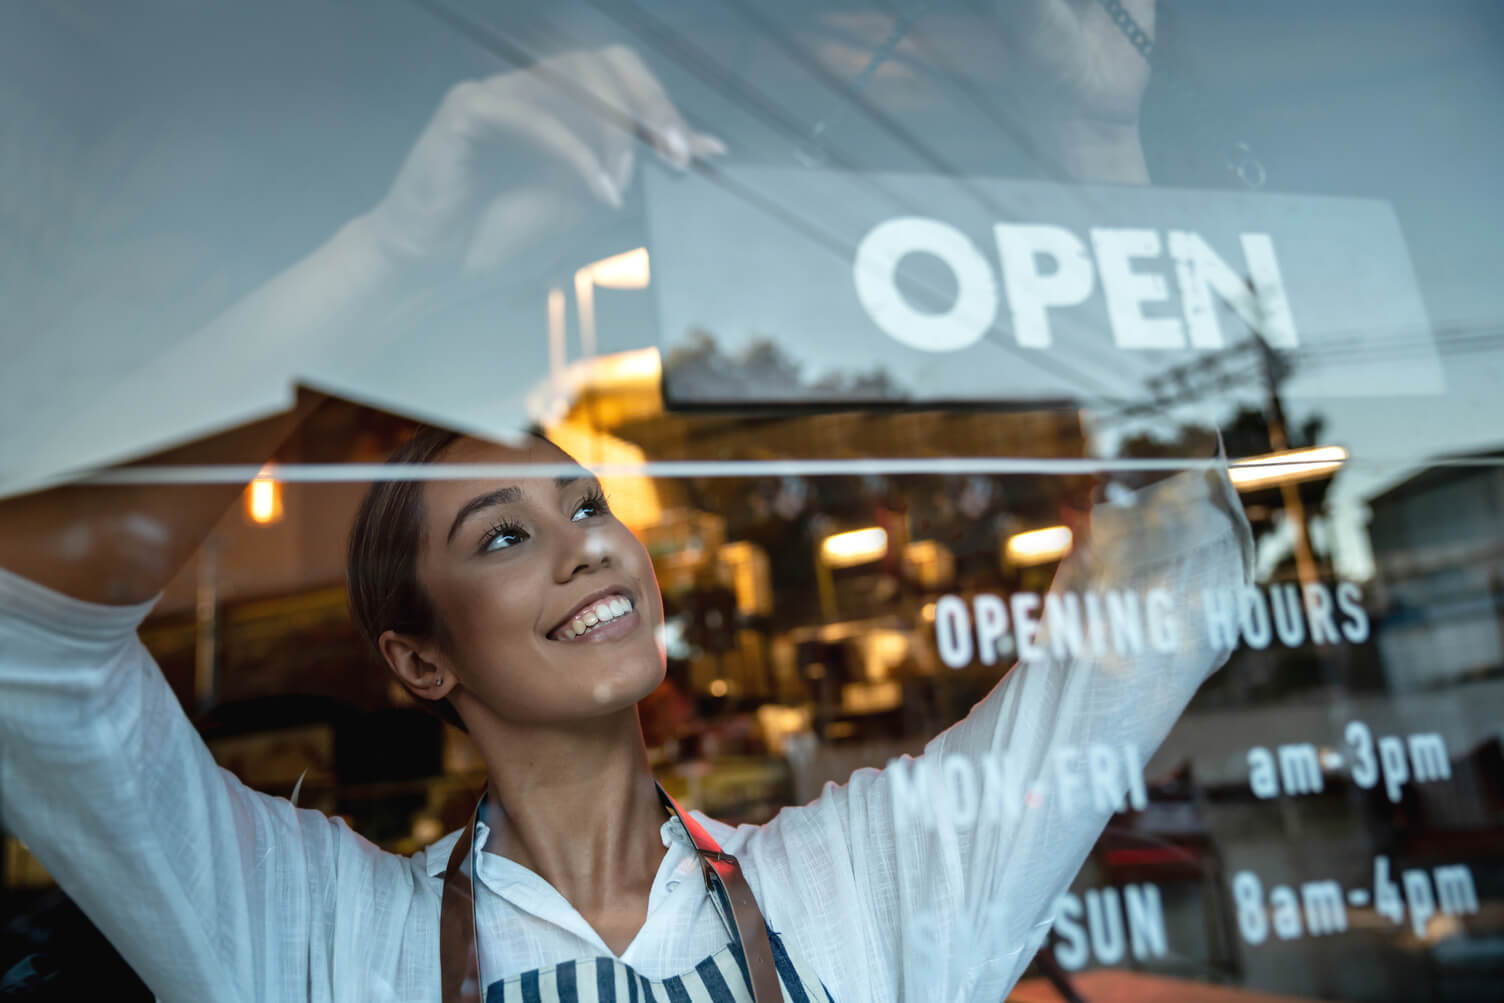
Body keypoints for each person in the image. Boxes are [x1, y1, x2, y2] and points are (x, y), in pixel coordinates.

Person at [1, 6, 1254, 1000]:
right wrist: (400, 252)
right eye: (501, 533)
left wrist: (1097, 140)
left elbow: (1166, 593)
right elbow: (26, 647)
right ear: (418, 658)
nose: (585, 547)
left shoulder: (857, 886)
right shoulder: (317, 934)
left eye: (584, 502)